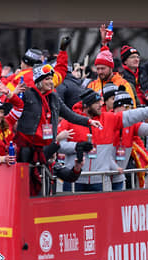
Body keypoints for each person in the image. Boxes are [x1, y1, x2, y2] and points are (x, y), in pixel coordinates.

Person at [15, 64, 98, 195]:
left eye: (51, 78)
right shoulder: (27, 94)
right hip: (29, 148)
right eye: (46, 79)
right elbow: (12, 110)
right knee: (28, 187)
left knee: (47, 182)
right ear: (38, 80)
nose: (50, 82)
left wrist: (88, 121)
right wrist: (12, 94)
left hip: (48, 146)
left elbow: (69, 114)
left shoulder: (53, 97)